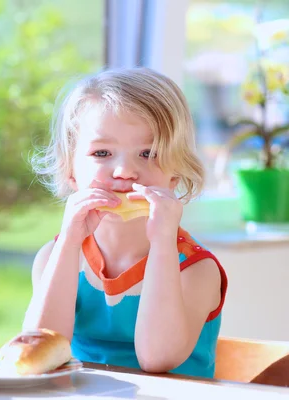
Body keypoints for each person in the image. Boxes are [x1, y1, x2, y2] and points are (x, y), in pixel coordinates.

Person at [24, 67, 228, 378]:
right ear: (70, 170)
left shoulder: (197, 270)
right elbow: (36, 353)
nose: (124, 171)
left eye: (148, 153)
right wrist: (68, 243)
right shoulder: (54, 257)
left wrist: (163, 242)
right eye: (102, 152)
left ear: (175, 173)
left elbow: (157, 359)